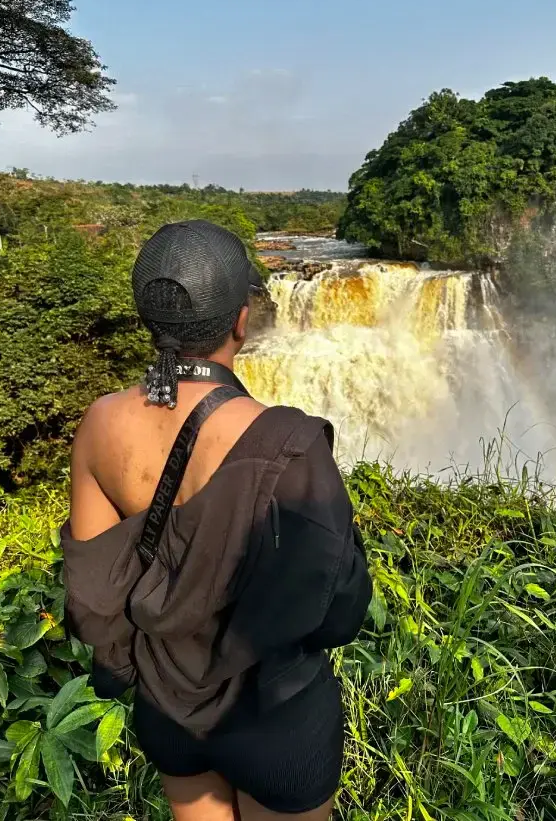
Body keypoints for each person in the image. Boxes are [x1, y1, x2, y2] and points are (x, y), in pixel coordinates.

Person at [61, 220, 372, 821]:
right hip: (275, 715)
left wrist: (145, 672)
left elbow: (93, 597)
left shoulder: (100, 424)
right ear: (240, 319)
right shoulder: (288, 442)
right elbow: (340, 609)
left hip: (169, 706)